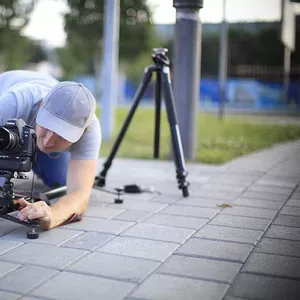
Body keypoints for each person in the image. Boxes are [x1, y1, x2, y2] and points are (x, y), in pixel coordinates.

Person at [0, 70, 101, 230]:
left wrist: (51, 215)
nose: (48, 141)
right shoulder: (13, 103)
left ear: (82, 131)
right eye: (46, 126)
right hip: (7, 127)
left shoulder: (90, 129)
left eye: (62, 135)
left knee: (62, 182)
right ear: (42, 106)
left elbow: (80, 194)